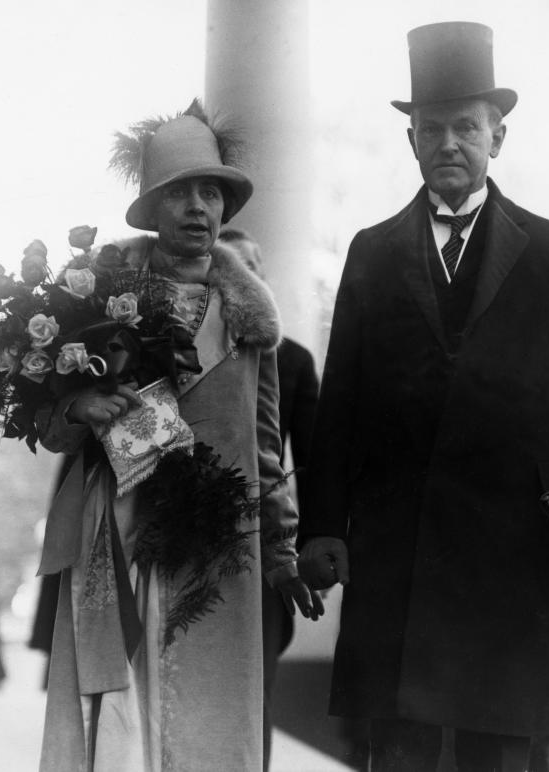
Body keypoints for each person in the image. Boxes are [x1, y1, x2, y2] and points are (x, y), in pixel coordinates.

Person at [298, 22, 549, 772]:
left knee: (498, 747)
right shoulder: (370, 251)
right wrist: (322, 525)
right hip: (396, 543)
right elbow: (341, 401)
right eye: (432, 129)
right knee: (401, 745)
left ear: (498, 136)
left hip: (508, 542)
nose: (449, 143)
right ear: (411, 141)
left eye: (466, 127)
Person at [34, 100, 323, 772]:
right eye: (180, 193)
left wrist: (280, 551)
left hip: (224, 543)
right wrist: (81, 406)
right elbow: (52, 427)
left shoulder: (250, 319)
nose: (198, 208)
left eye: (211, 192)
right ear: (152, 207)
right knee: (128, 718)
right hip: (125, 534)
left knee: (213, 717)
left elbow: (266, 447)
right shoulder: (100, 303)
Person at [218, 226, 321, 770]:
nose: (243, 279)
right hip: (186, 539)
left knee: (253, 694)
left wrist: (293, 553)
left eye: (252, 269)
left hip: (259, 551)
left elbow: (306, 463)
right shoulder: (182, 347)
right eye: (231, 267)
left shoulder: (294, 361)